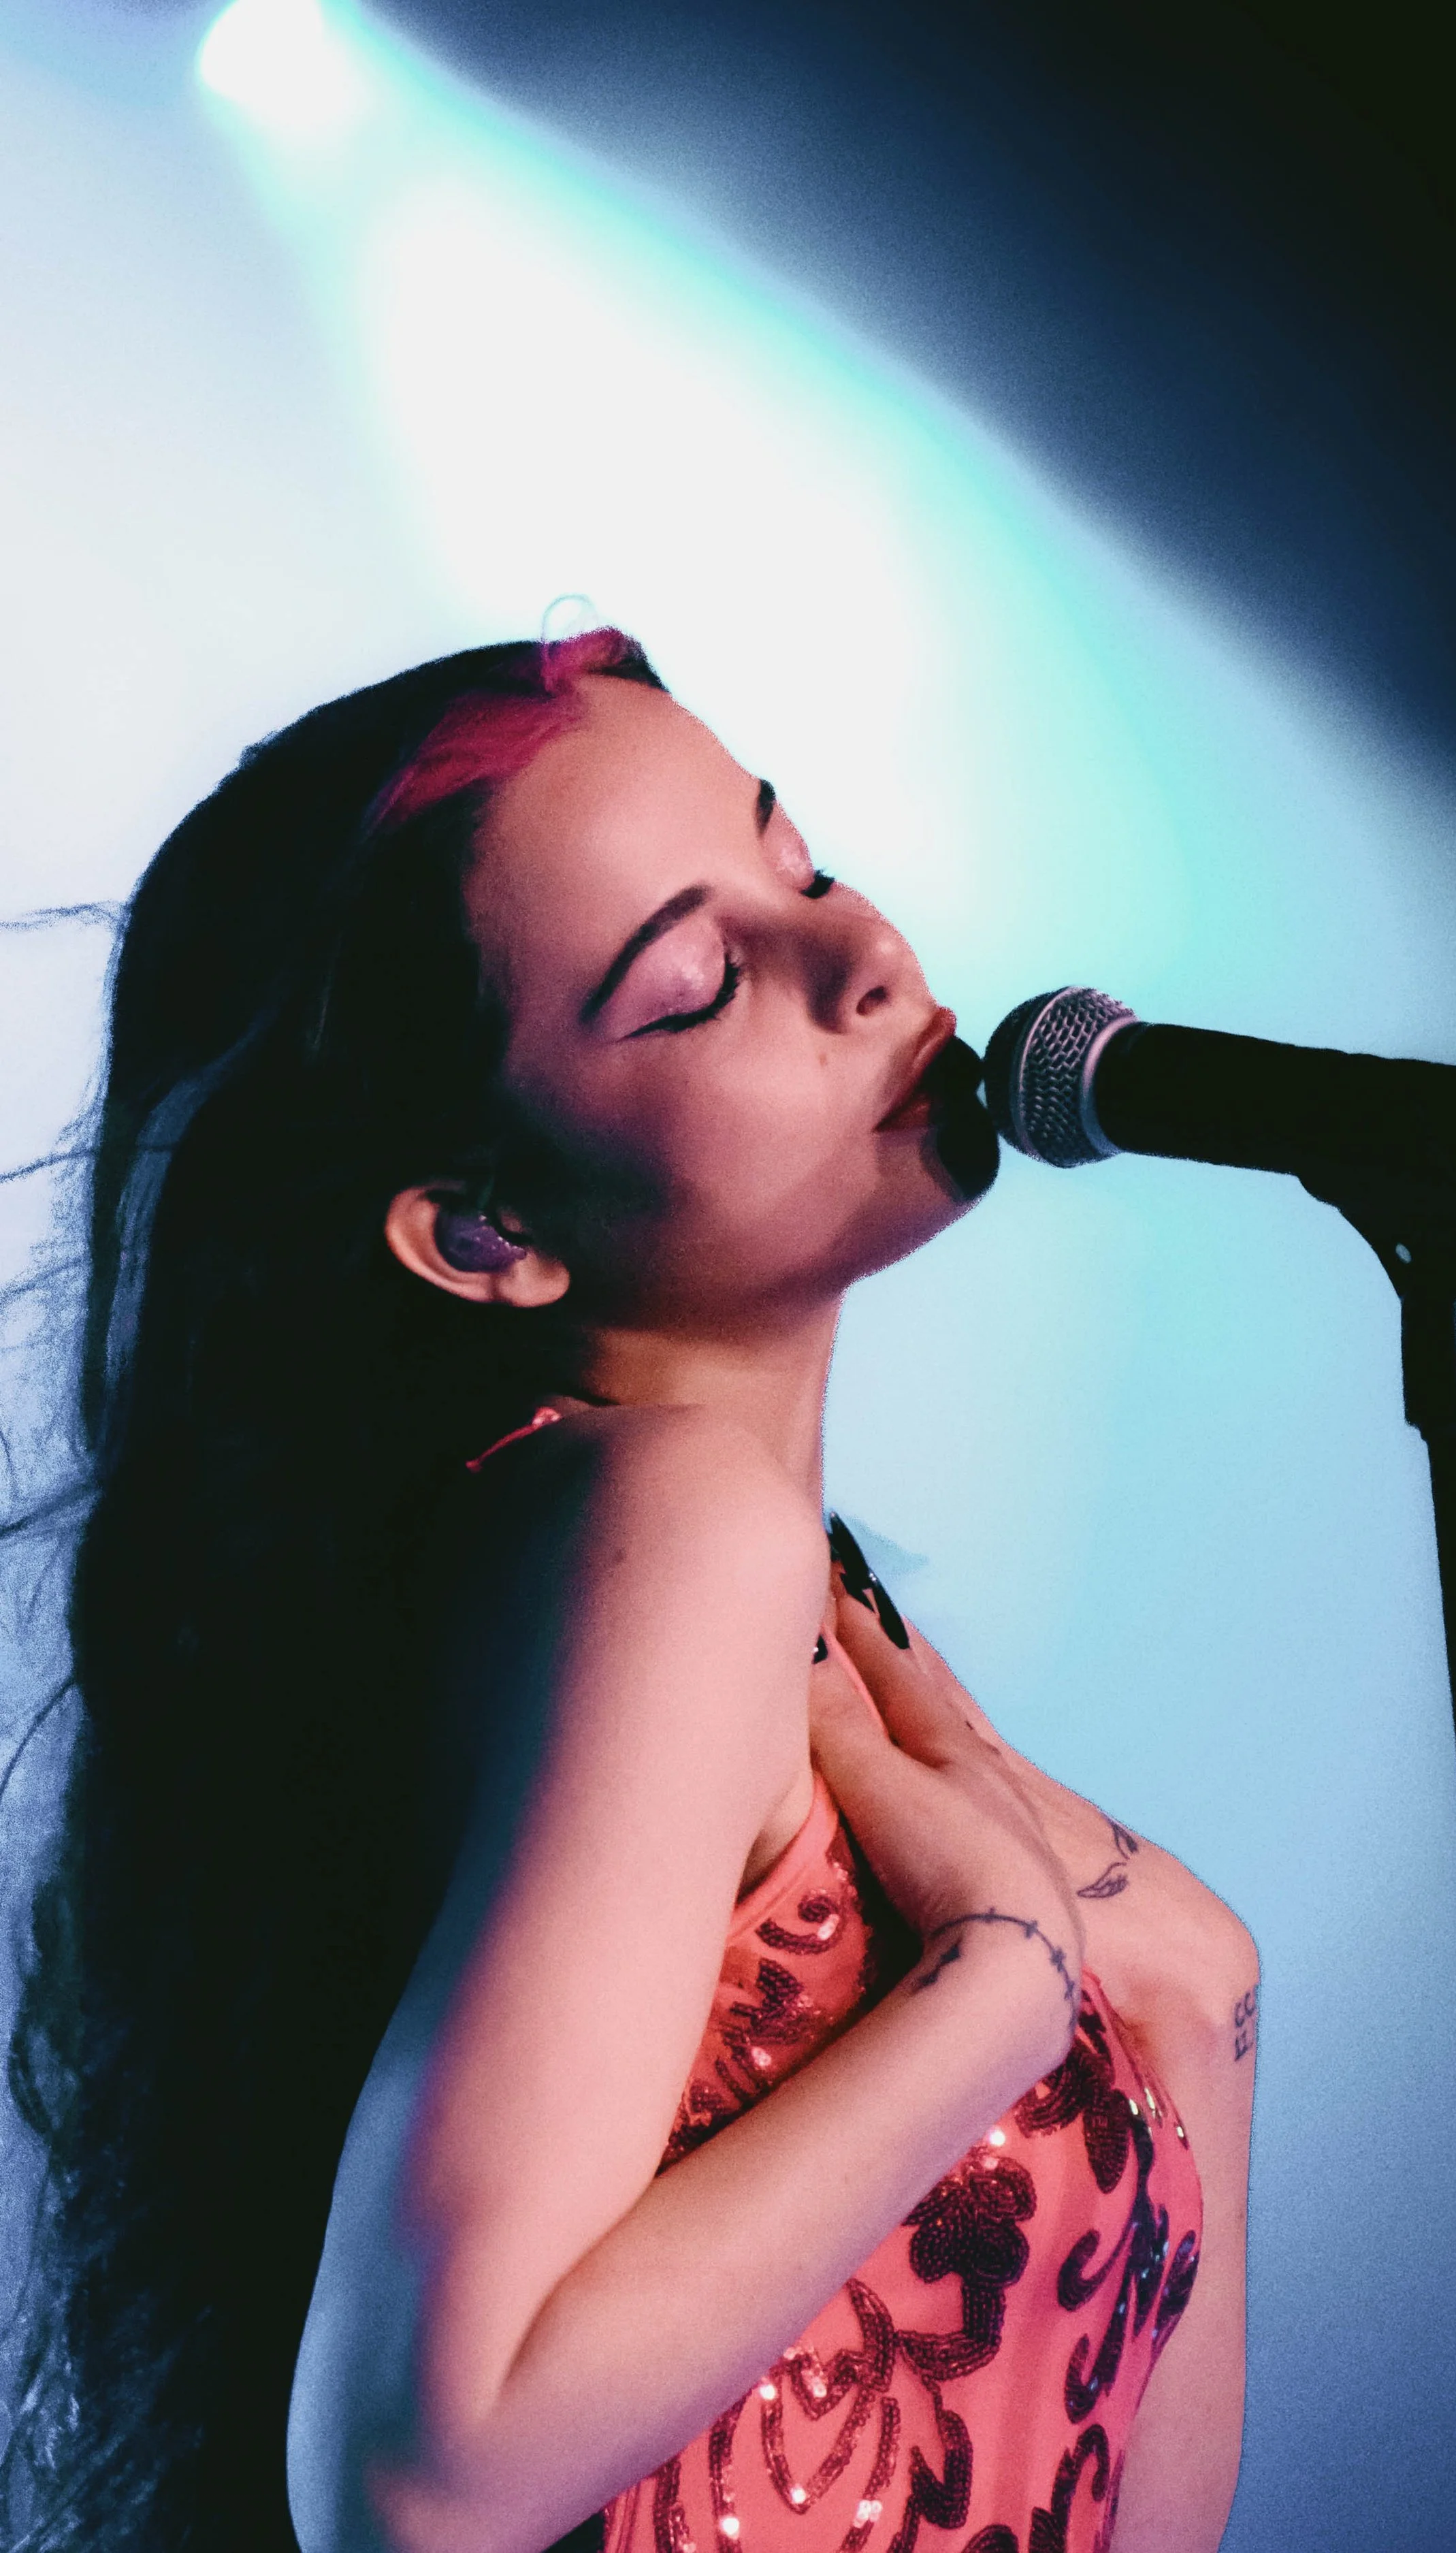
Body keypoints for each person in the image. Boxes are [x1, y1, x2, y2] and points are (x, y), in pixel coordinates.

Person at [3, 630, 1257, 2553]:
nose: (866, 955)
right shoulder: (671, 1531)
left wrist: (1178, 1993)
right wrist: (1004, 1976)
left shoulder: (812, 1634)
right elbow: (422, 2477)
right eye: (700, 982)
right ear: (483, 1230)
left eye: (801, 862)